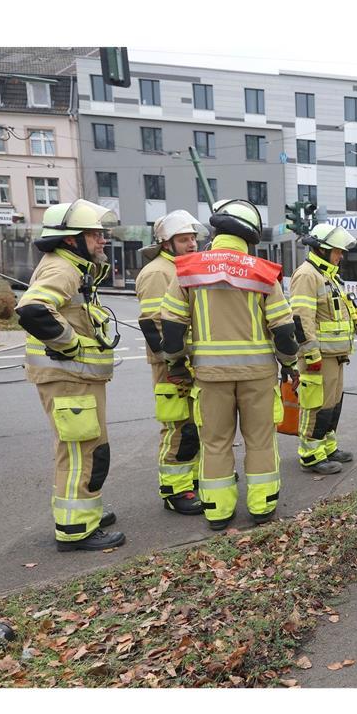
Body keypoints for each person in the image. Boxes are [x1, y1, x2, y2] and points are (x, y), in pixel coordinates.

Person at [159, 199, 300, 530]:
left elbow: (173, 332)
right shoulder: (265, 273)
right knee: (261, 441)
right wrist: (290, 364)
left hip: (209, 378)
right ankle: (262, 506)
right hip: (258, 377)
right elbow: (283, 331)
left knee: (215, 442)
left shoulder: (186, 270)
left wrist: (177, 365)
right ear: (250, 235)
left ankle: (218, 511)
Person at [15, 200, 125, 551]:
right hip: (68, 377)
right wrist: (71, 346)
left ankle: (84, 513)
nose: (102, 240)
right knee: (82, 453)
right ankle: (76, 529)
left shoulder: (71, 267)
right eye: (94, 234)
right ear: (70, 239)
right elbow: (33, 310)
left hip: (74, 378)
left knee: (87, 450)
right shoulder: (63, 269)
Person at [135, 210, 206, 515]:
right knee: (177, 427)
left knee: (193, 426)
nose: (191, 244)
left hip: (187, 363)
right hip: (171, 367)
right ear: (166, 243)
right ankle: (174, 491)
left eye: (193, 238)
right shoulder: (157, 273)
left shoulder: (183, 268)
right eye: (183, 239)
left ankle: (190, 480)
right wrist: (175, 367)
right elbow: (155, 326)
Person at [289, 223, 357, 475]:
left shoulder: (327, 275)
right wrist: (311, 355)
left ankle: (327, 448)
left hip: (335, 355)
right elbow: (301, 319)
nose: (341, 256)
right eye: (337, 251)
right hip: (319, 356)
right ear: (321, 250)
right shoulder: (307, 275)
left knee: (333, 404)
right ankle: (311, 454)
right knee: (316, 405)